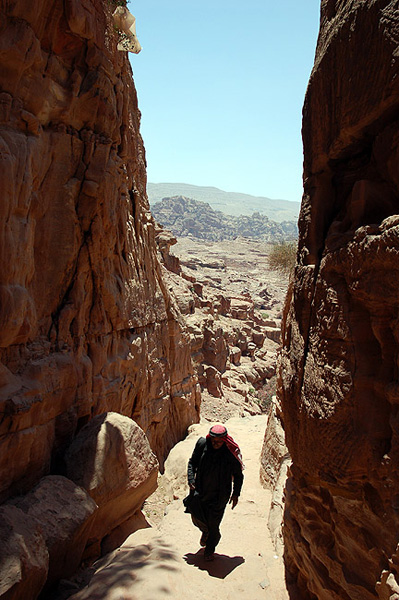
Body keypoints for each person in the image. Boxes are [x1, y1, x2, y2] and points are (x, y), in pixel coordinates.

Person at [185, 424, 244, 561]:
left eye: (219, 441)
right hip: (200, 491)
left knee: (213, 523)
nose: (215, 444)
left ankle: (210, 548)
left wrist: (236, 494)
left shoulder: (230, 453)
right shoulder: (202, 444)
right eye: (213, 441)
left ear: (224, 440)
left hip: (220, 495)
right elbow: (192, 463)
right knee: (196, 516)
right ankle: (206, 532)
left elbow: (238, 475)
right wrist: (191, 478)